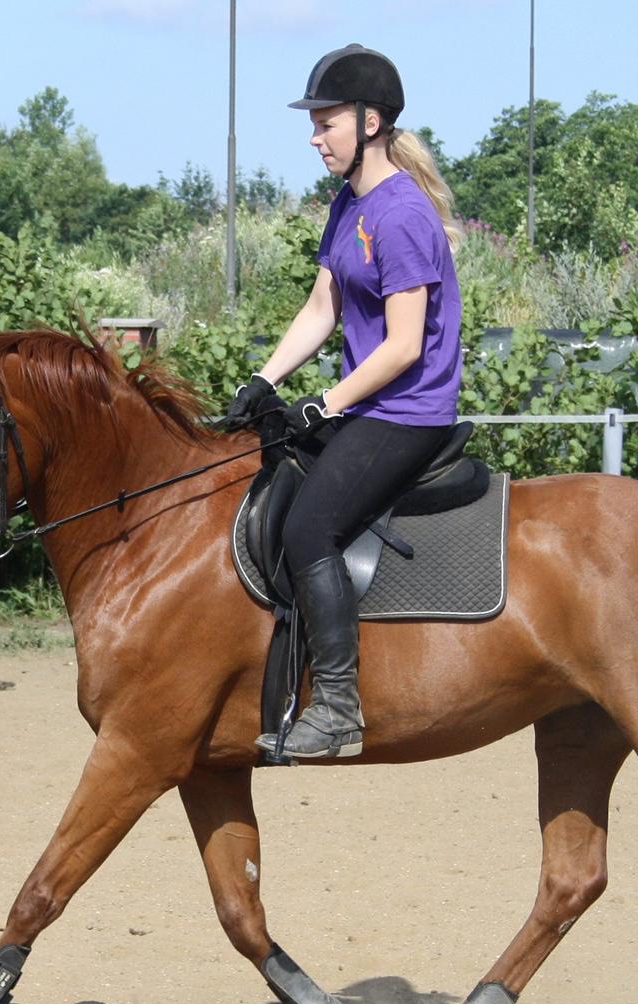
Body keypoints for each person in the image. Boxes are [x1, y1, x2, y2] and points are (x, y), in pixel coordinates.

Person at [223, 43, 463, 761]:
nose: (314, 136)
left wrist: (322, 403)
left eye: (326, 123)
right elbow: (321, 305)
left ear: (371, 122)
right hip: (370, 407)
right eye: (315, 123)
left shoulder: (400, 217)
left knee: (309, 530)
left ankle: (337, 705)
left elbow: (402, 347)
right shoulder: (348, 206)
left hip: (409, 412)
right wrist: (265, 379)